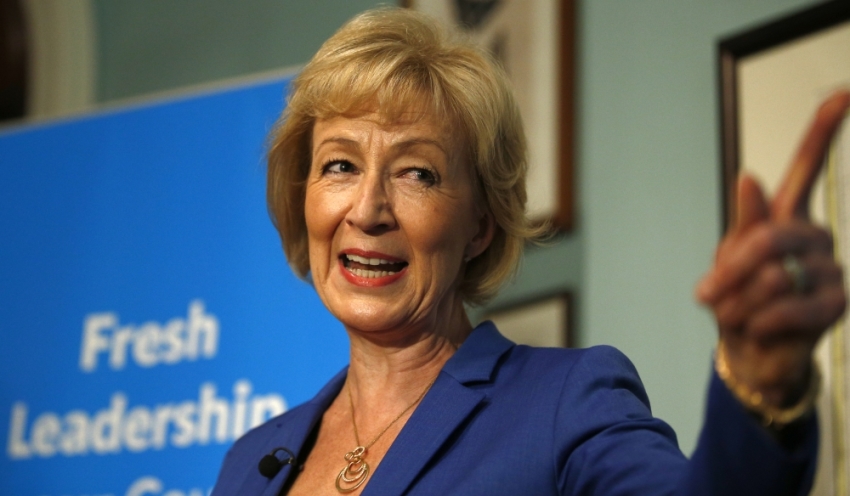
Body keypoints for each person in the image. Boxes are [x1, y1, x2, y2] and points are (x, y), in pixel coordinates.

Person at [210, 7, 848, 496]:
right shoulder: (250, 462)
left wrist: (760, 387)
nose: (368, 209)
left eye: (418, 174)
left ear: (480, 225)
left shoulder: (567, 402)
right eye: (340, 165)